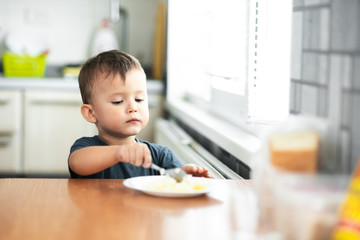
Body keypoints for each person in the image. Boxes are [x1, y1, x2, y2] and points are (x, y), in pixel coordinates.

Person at [68, 50, 210, 179]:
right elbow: (77, 162)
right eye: (118, 101)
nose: (133, 107)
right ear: (91, 113)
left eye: (139, 99)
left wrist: (184, 176)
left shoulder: (160, 155)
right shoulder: (86, 147)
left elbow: (173, 181)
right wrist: (119, 153)